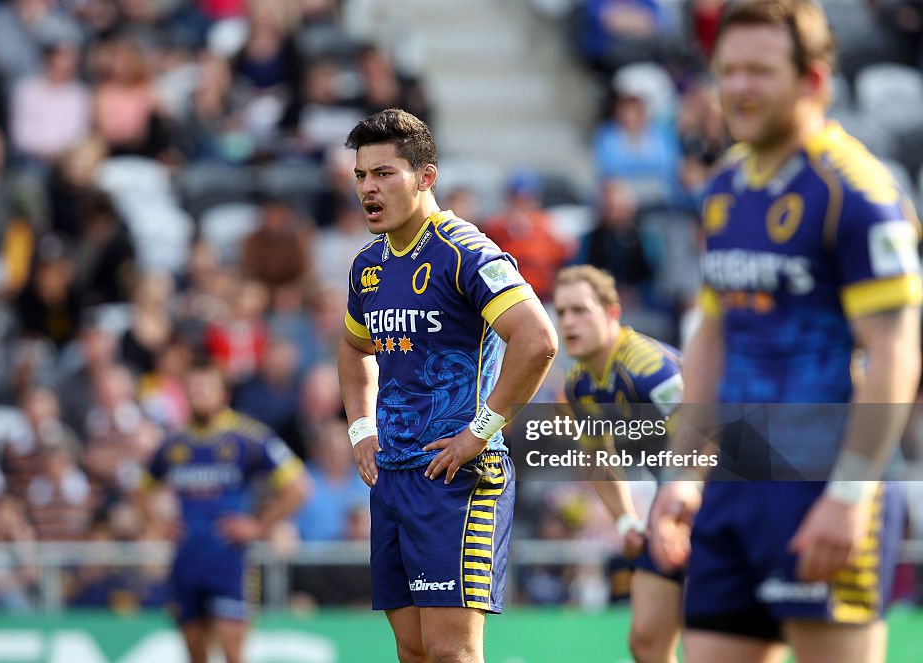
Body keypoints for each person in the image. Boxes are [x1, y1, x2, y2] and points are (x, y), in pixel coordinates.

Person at [647, 2, 922, 663]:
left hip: (823, 486)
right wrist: (682, 473)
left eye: (760, 71)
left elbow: (894, 349)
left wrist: (850, 495)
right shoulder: (725, 188)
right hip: (735, 489)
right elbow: (713, 334)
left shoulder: (855, 192)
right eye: (729, 70)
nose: (739, 87)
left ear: (813, 80)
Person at [339, 108, 558, 663]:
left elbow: (537, 340)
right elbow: (352, 348)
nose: (369, 187)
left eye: (385, 173)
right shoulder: (368, 265)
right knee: (412, 651)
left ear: (426, 176)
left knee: (451, 652)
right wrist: (362, 429)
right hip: (394, 478)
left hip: (456, 476)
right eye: (362, 175)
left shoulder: (464, 251)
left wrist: (482, 430)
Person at [553, 265, 683, 663]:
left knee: (713, 641)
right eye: (561, 313)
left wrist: (673, 513)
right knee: (645, 641)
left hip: (723, 494)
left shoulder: (649, 367)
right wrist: (626, 520)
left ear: (612, 312)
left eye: (580, 310)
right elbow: (597, 459)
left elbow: (707, 440)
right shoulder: (579, 384)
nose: (568, 322)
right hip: (670, 502)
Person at [148, 359, 310, 663]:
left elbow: (298, 487)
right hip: (186, 559)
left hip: (229, 560)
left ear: (223, 394)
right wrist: (158, 523)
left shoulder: (248, 438)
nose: (198, 395)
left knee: (233, 654)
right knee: (195, 654)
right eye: (192, 389)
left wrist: (259, 527)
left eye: (205, 388)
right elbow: (141, 486)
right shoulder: (173, 443)